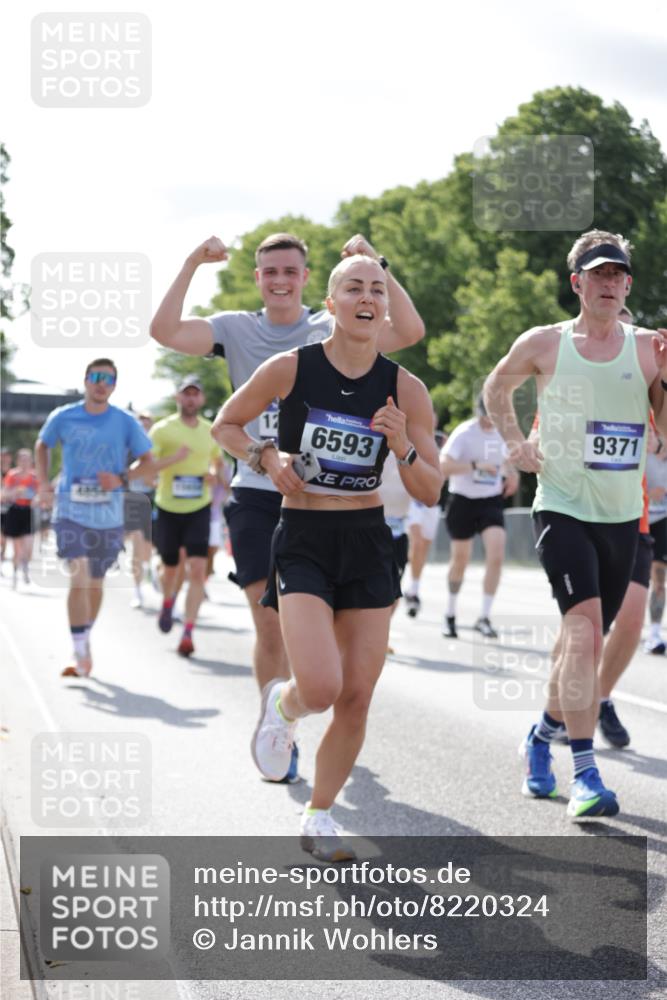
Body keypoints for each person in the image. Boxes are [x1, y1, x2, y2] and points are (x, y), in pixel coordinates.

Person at [150, 232, 424, 779]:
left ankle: (298, 705)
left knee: (333, 657)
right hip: (258, 492)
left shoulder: (334, 323)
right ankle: (276, 724)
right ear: (257, 278)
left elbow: (410, 331)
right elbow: (163, 331)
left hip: (329, 502)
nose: (279, 280)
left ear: (308, 280)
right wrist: (190, 264)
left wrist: (375, 263)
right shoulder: (236, 328)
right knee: (269, 627)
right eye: (269, 271)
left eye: (290, 272)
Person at [212, 255, 441, 860]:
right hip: (305, 536)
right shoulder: (290, 368)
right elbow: (225, 425)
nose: (367, 297)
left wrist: (401, 446)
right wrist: (266, 457)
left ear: (385, 308)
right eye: (353, 287)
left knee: (357, 696)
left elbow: (431, 489)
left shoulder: (405, 388)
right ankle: (281, 707)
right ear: (332, 304)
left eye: (377, 290)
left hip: (368, 540)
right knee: (318, 685)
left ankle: (319, 816)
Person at [485, 230, 667, 819]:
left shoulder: (647, 349)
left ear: (628, 285)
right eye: (599, 274)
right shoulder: (545, 343)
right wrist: (516, 442)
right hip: (561, 505)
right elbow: (496, 385)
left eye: (618, 275)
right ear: (578, 283)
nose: (610, 283)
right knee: (586, 632)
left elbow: (664, 428)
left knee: (579, 647)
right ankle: (586, 775)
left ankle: (539, 738)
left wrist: (666, 380)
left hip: (622, 517)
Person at [35, 359, 153, 677]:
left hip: (109, 516)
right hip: (70, 512)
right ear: (86, 380)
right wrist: (44, 482)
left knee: (96, 585)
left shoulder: (125, 422)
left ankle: (85, 636)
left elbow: (149, 462)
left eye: (109, 379)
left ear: (115, 386)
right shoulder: (63, 416)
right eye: (96, 377)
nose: (102, 383)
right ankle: (79, 649)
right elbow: (42, 445)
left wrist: (122, 479)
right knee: (80, 577)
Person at [150, 376, 222, 657]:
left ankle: (189, 631)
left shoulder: (210, 430)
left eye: (195, 394)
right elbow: (149, 465)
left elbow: (217, 461)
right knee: (170, 569)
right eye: (186, 394)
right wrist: (174, 458)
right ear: (178, 397)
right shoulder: (162, 430)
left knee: (197, 570)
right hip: (168, 507)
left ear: (201, 399)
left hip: (199, 508)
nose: (191, 399)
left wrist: (214, 475)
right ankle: (168, 601)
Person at [439, 396, 518, 639]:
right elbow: (443, 466)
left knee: (496, 555)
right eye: (487, 414)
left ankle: (484, 617)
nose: (491, 420)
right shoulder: (464, 433)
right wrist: (475, 465)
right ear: (479, 411)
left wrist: (513, 475)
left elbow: (509, 462)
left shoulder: (503, 434)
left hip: (489, 501)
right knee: (460, 560)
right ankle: (450, 613)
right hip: (462, 500)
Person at [403, 428, 447, 618]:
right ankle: (406, 586)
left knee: (423, 548)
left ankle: (413, 589)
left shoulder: (442, 439)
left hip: (432, 502)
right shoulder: (409, 433)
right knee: (417, 541)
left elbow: (445, 468)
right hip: (412, 500)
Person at [124, 412, 158, 609]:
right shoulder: (127, 448)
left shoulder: (157, 448)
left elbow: (160, 476)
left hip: (153, 500)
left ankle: (149, 569)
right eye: (141, 426)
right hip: (132, 500)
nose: (144, 430)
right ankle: (137, 591)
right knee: (137, 543)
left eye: (147, 426)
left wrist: (153, 481)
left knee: (148, 547)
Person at [645, 422, 667, 654]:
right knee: (626, 578)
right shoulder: (643, 453)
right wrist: (647, 494)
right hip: (636, 520)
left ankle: (654, 633)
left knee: (659, 579)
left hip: (662, 521)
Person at [2, 448, 39, 587]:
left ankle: (25, 567)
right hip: (15, 511)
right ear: (18, 461)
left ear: (31, 462)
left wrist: (36, 498)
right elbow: (4, 494)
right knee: (17, 548)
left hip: (28, 512)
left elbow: (40, 494)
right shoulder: (12, 475)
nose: (25, 462)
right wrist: (15, 492)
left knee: (28, 546)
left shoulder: (34, 477)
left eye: (27, 459)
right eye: (22, 459)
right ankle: (15, 574)